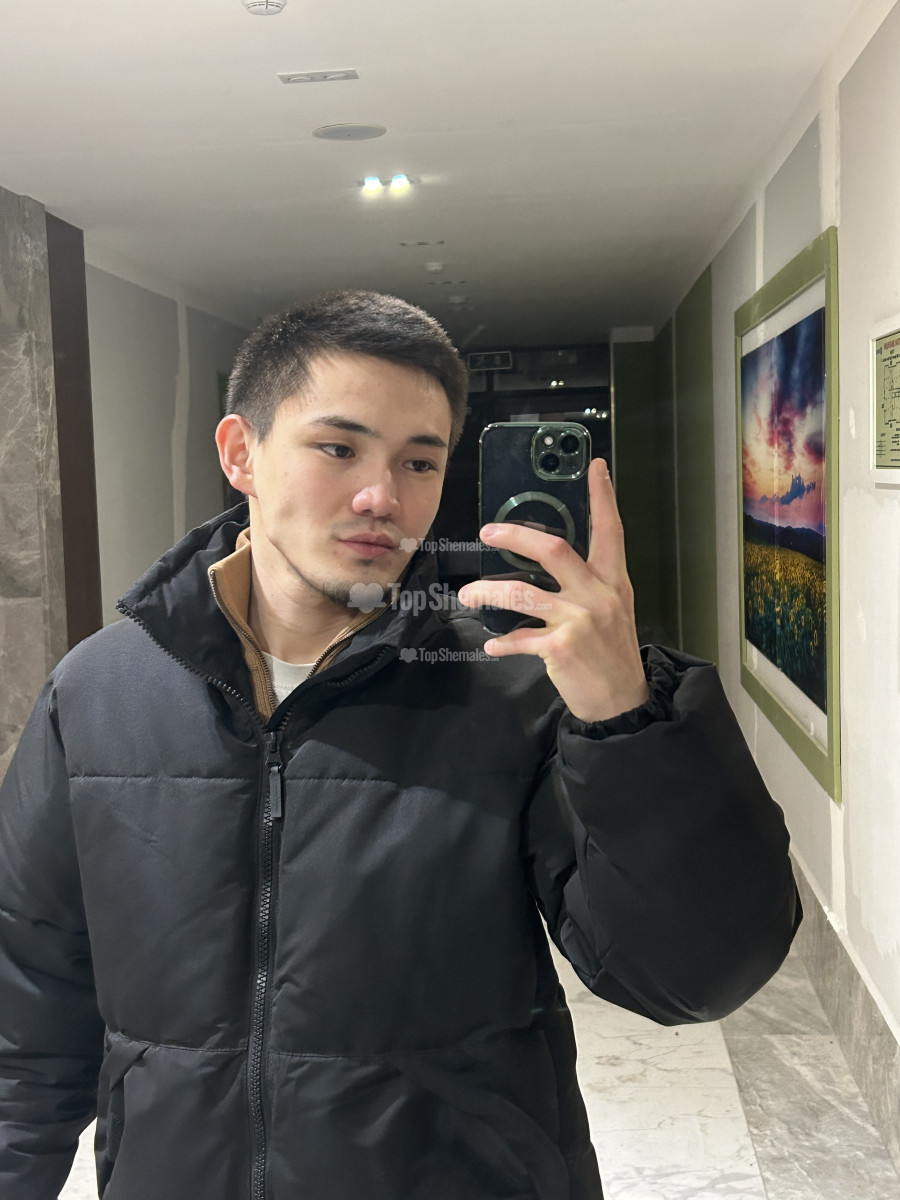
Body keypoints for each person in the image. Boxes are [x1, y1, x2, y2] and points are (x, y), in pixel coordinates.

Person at [0, 290, 800, 1200]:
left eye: (420, 461)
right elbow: (24, 1020)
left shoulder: (512, 690)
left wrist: (627, 716)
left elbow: (693, 978)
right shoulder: (99, 693)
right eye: (338, 448)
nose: (382, 497)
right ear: (240, 453)